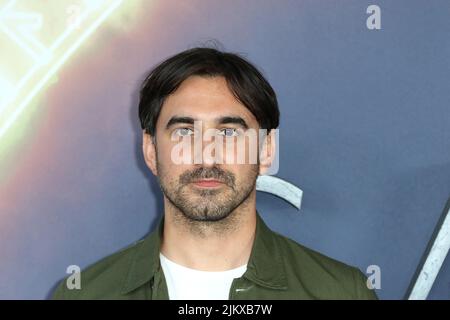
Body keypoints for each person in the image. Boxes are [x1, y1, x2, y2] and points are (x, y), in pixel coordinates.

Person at [52, 47, 377, 300]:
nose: (207, 154)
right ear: (151, 151)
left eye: (229, 133)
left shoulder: (342, 293)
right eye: (184, 132)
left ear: (266, 150)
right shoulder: (85, 294)